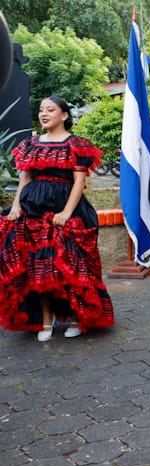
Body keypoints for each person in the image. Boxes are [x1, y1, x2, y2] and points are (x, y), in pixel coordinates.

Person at [0, 96, 114, 341]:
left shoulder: (77, 145)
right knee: (37, 267)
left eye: (50, 110)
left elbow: (79, 182)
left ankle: (75, 315)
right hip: (33, 210)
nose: (44, 114)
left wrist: (66, 212)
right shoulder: (30, 144)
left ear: (63, 115)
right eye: (41, 110)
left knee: (70, 265)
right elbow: (25, 179)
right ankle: (45, 318)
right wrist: (16, 206)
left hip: (67, 210)